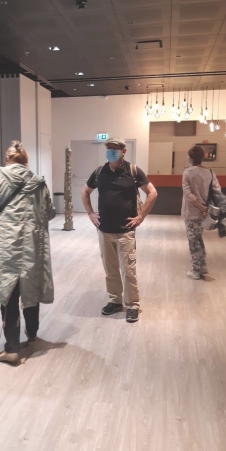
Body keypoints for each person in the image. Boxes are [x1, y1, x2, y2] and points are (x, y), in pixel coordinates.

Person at [0, 141, 55, 366]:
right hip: (32, 244)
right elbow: (49, 213)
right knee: (31, 287)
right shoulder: (39, 182)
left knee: (8, 291)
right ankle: (32, 335)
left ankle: (11, 349)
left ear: (7, 159)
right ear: (25, 161)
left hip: (4, 244)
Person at [81, 136, 157, 323]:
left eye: (115, 148)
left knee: (128, 270)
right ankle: (115, 301)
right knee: (110, 270)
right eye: (109, 148)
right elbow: (85, 191)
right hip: (104, 231)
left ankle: (132, 305)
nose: (111, 151)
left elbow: (152, 192)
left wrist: (141, 216)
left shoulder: (133, 171)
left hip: (125, 231)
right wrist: (90, 213)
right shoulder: (100, 172)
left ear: (123, 151)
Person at [182, 145, 221, 280]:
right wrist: (206, 208)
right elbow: (217, 191)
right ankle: (202, 265)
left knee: (193, 241)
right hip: (205, 213)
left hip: (191, 212)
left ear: (191, 158)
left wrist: (200, 207)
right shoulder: (210, 172)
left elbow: (188, 195)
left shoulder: (188, 173)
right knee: (199, 237)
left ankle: (196, 270)